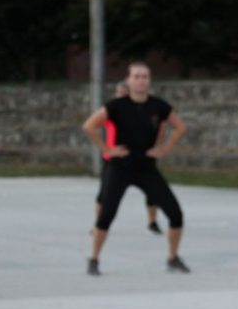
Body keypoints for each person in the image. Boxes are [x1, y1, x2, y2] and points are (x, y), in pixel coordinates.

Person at [81, 62, 189, 276]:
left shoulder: (158, 106)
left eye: (145, 76)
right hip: (120, 168)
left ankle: (173, 258)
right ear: (129, 80)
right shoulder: (116, 105)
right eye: (137, 76)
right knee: (106, 215)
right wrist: (107, 150)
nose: (141, 80)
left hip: (146, 168)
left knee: (175, 214)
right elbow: (89, 126)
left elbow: (180, 127)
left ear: (149, 81)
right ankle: (93, 259)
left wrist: (164, 148)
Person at [94, 80, 163, 234]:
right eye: (120, 93)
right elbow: (92, 125)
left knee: (153, 193)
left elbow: (157, 126)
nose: (122, 95)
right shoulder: (110, 112)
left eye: (126, 92)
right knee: (104, 195)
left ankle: (152, 222)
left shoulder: (141, 111)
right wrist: (107, 149)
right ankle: (98, 224)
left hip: (141, 159)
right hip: (113, 160)